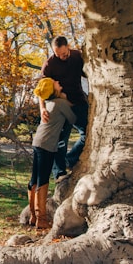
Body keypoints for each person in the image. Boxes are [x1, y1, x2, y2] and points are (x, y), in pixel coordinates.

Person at [29, 77, 76, 229]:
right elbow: (73, 118)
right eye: (55, 83)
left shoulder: (48, 104)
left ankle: (33, 216)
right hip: (47, 145)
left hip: (37, 141)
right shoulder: (60, 103)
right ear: (53, 89)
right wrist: (66, 100)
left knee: (34, 179)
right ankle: (41, 219)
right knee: (42, 180)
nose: (58, 82)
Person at [40, 36, 88, 180]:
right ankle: (59, 172)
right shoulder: (49, 65)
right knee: (60, 140)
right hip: (60, 105)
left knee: (88, 133)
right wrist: (42, 109)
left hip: (79, 101)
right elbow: (41, 90)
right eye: (57, 54)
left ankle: (70, 159)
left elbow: (88, 73)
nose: (62, 56)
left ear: (68, 47)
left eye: (64, 54)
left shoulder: (77, 56)